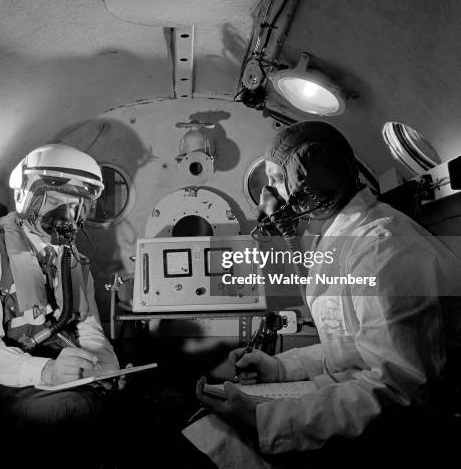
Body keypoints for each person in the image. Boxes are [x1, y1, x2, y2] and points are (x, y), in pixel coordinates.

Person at [185, 121, 461, 468]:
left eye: (277, 180)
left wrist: (264, 420)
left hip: (410, 434)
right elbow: (351, 347)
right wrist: (280, 368)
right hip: (370, 406)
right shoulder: (339, 237)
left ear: (310, 185)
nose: (269, 194)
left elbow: (400, 391)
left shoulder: (382, 249)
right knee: (206, 427)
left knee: (215, 438)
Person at [0, 144, 122, 463]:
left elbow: (90, 332)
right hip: (13, 382)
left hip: (69, 377)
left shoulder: (74, 262)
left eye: (75, 204)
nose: (67, 214)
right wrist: (46, 371)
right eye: (56, 201)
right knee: (71, 409)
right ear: (26, 197)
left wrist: (105, 367)